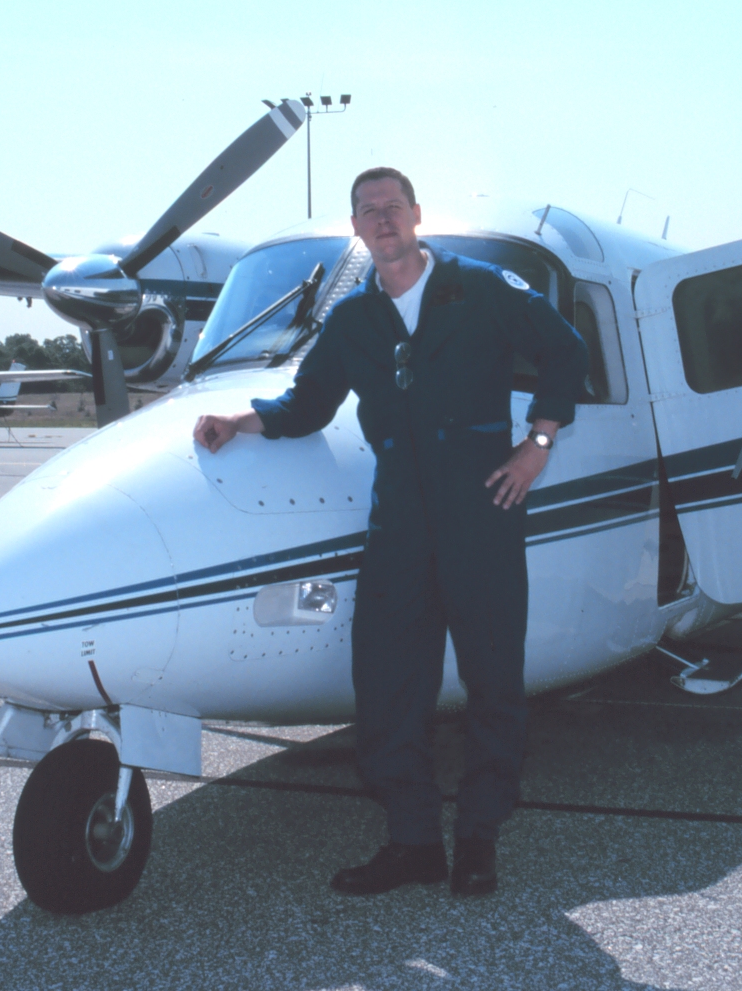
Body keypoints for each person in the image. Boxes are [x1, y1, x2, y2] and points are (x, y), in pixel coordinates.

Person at [194, 167, 586, 897]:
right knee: (386, 682)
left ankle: (477, 838)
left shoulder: (485, 289)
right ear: (357, 228)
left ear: (416, 215)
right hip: (400, 518)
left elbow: (566, 350)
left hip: (484, 509)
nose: (381, 220)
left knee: (493, 678)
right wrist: (239, 422)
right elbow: (307, 404)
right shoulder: (352, 321)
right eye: (366, 211)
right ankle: (412, 840)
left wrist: (538, 444)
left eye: (391, 207)